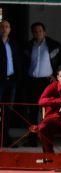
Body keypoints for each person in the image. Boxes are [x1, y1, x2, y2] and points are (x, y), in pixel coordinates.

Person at [25, 22, 61, 136]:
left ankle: (47, 137)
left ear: (45, 32)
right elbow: (21, 63)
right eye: (35, 31)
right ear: (32, 33)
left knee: (48, 110)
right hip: (32, 81)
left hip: (47, 82)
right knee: (32, 111)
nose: (38, 33)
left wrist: (58, 76)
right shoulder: (28, 46)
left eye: (40, 31)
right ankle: (32, 139)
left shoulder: (54, 45)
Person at [0, 19, 22, 147]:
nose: (4, 29)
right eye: (2, 27)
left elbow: (18, 61)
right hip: (0, 81)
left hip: (11, 81)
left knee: (8, 110)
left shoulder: (13, 44)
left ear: (10, 29)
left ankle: (5, 138)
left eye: (7, 27)